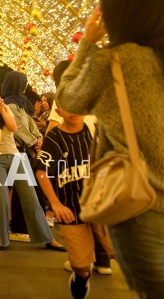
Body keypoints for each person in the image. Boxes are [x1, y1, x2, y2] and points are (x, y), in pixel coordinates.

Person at [56, 0, 164, 299]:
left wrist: (87, 42)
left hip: (139, 207)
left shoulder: (110, 61)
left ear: (117, 7)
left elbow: (67, 99)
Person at [36, 79, 115, 299]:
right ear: (58, 110)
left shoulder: (94, 131)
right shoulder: (54, 138)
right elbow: (42, 171)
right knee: (81, 267)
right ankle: (81, 277)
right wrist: (55, 203)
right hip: (70, 211)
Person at [0, 72, 65, 252]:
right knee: (0, 198)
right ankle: (4, 238)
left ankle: (47, 238)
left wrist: (38, 138)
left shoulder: (12, 105)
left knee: (31, 196)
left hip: (15, 154)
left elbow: (17, 126)